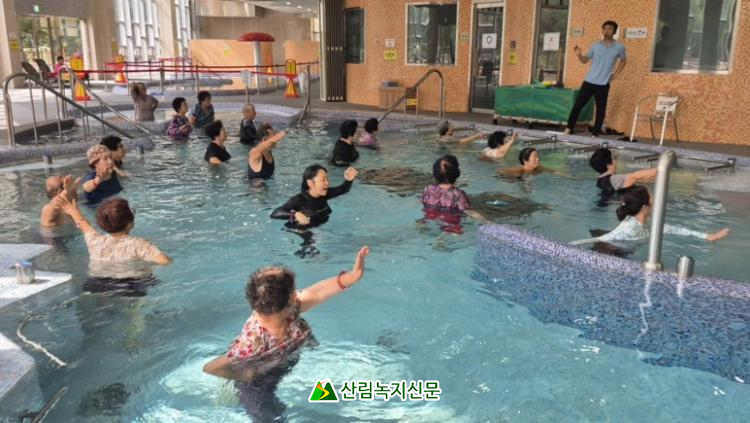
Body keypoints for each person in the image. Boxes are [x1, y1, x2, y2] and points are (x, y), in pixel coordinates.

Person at [202, 246, 370, 421]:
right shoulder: (253, 341)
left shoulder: (289, 308)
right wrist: (247, 375)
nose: (298, 293)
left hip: (290, 355)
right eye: (294, 290)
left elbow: (319, 291)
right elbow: (212, 367)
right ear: (290, 299)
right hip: (261, 381)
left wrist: (353, 276)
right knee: (269, 416)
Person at [56, 195, 172, 293]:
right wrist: (148, 267)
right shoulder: (140, 245)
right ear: (129, 223)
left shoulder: (95, 240)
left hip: (95, 285)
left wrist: (73, 211)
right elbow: (166, 262)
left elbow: (83, 223)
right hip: (129, 287)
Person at [571, 186, 730, 246]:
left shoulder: (642, 221)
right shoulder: (630, 229)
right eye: (652, 198)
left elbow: (672, 229)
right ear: (645, 207)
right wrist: (569, 247)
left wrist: (707, 236)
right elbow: (604, 239)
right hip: (614, 249)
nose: (655, 200)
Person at [564, 21, 627, 136]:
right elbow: (585, 60)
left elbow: (623, 60)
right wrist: (579, 55)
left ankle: (595, 134)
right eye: (605, 29)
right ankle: (568, 129)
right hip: (589, 82)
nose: (606, 31)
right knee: (577, 106)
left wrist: (615, 75)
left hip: (603, 84)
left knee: (600, 111)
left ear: (614, 31)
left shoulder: (619, 47)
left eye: (610, 29)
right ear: (602, 31)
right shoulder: (595, 45)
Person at [271, 165, 358, 229]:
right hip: (301, 231)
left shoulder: (324, 194)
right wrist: (295, 214)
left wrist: (348, 180)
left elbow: (343, 189)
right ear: (310, 183)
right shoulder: (299, 200)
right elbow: (275, 214)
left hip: (319, 228)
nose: (327, 183)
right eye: (323, 180)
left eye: (327, 179)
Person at [421, 155, 486, 233]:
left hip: (429, 218)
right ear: (457, 173)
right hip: (450, 222)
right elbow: (469, 212)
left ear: (435, 174)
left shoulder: (428, 189)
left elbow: (423, 202)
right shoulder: (458, 194)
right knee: (456, 232)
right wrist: (486, 221)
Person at [589, 148, 656, 197]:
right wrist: (660, 169)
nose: (616, 160)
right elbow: (634, 176)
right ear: (609, 165)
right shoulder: (614, 179)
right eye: (613, 158)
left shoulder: (600, 180)